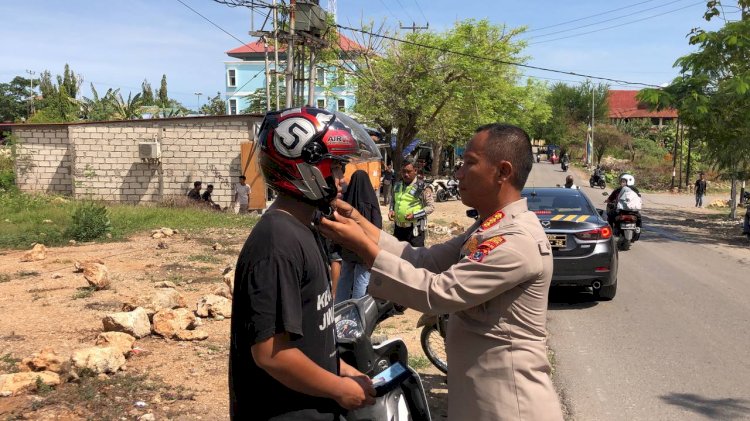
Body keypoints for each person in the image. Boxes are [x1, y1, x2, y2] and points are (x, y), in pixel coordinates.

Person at [319, 123, 564, 421]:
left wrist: (365, 250)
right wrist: (361, 224)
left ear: (503, 172)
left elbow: (438, 292)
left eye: (470, 163)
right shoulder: (489, 228)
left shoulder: (515, 241)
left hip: (509, 405)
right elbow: (423, 258)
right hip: (480, 396)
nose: (459, 173)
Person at [229, 107, 377, 420]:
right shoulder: (277, 242)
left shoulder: (305, 227)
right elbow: (271, 353)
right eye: (336, 168)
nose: (342, 179)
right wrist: (337, 387)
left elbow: (310, 332)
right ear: (306, 167)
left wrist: (340, 367)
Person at [335, 170, 383, 303]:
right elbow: (377, 225)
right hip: (364, 246)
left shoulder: (347, 202)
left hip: (348, 247)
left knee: (344, 277)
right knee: (361, 279)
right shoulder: (371, 201)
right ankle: (357, 308)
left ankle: (339, 307)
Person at [388, 157, 434, 247]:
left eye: (409, 171)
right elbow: (393, 200)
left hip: (414, 231)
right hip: (398, 229)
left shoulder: (422, 187)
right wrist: (391, 210)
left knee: (415, 258)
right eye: (403, 171)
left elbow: (431, 207)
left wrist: (415, 215)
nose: (406, 174)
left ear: (415, 171)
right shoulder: (397, 185)